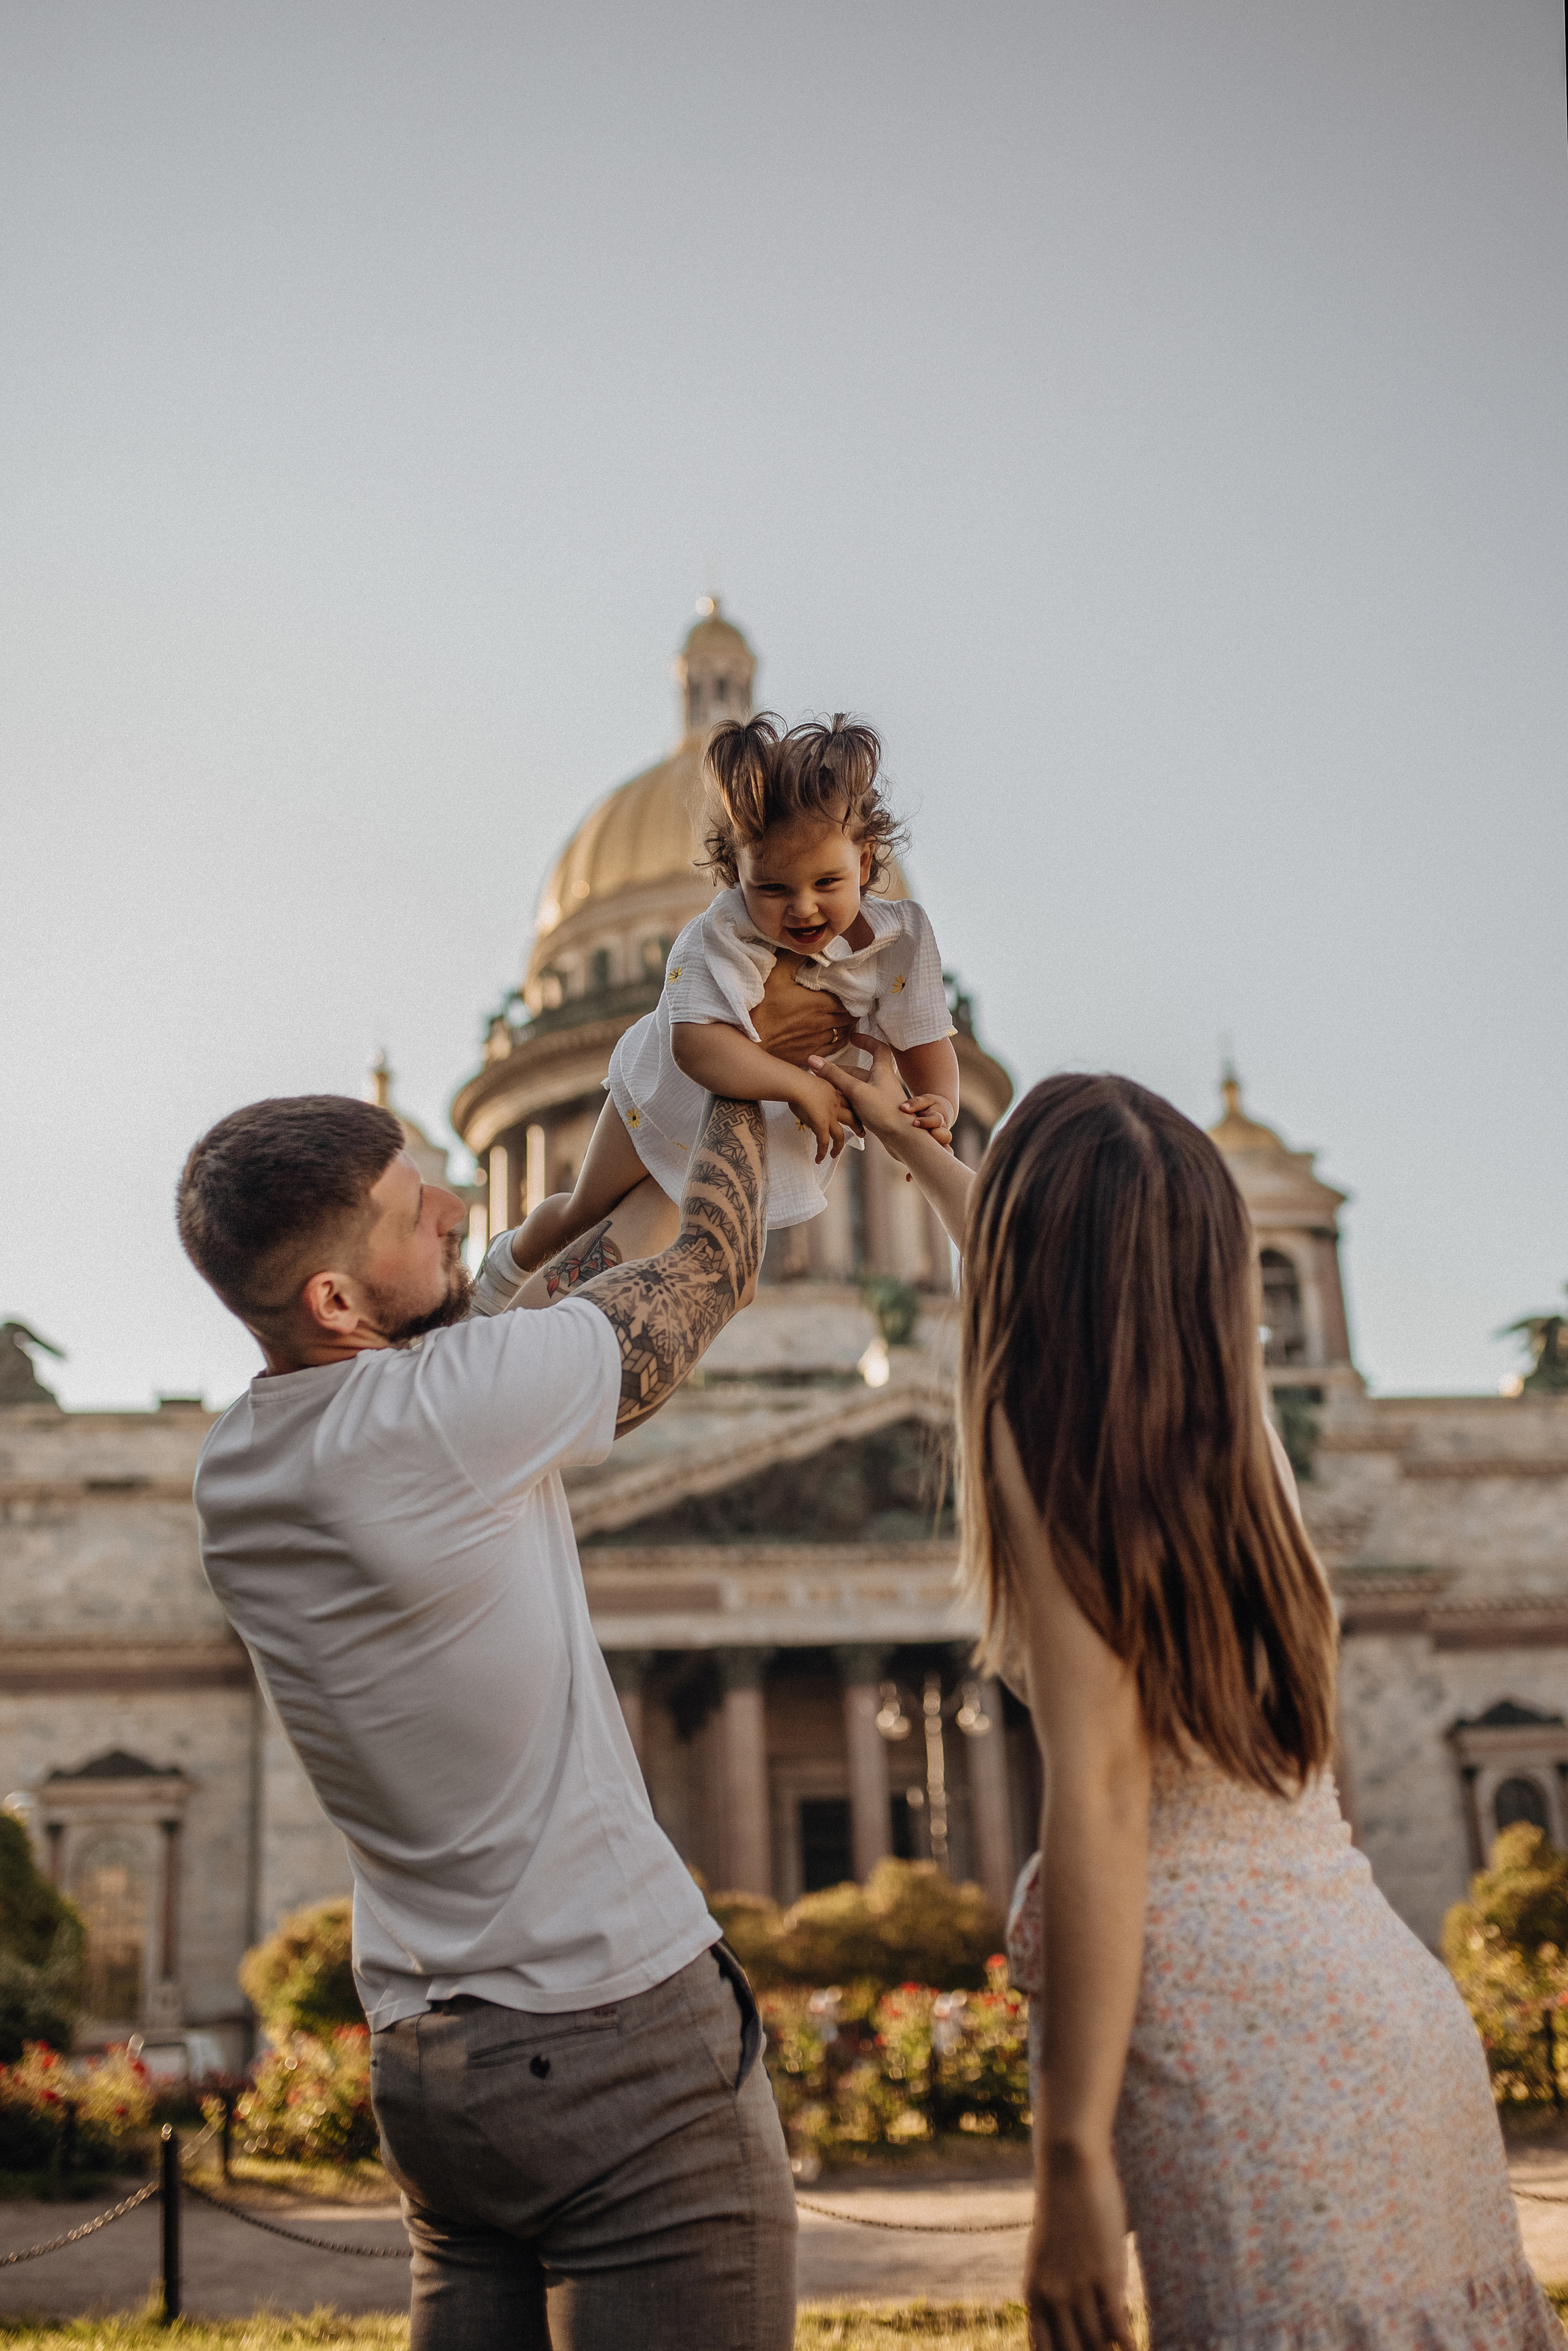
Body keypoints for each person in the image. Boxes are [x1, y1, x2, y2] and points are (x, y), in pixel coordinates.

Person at [825, 1051, 1562, 2351]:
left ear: (1028, 1255)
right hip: (1386, 2015)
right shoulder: (1242, 1442)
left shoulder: (1041, 1438)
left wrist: (1064, 2160)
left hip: (1232, 2046)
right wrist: (920, 1150)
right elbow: (1032, 1266)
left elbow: (1104, 1793)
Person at [176, 1089, 796, 2351]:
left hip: (434, 2071)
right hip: (617, 2045)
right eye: (420, 1209)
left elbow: (488, 1311)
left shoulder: (240, 1465)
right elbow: (713, 1267)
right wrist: (742, 1069)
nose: (460, 1206)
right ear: (339, 1304)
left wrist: (584, 1186)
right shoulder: (449, 1416)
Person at [510, 712, 961, 1264]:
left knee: (688, 1243)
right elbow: (695, 1045)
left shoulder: (900, 937)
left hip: (771, 1125)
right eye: (772, 888)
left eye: (826, 883)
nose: (802, 907)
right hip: (665, 1095)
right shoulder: (722, 932)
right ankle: (512, 1263)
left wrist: (939, 1107)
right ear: (735, 876)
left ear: (864, 863)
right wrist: (802, 1087)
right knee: (584, 1212)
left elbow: (925, 1037)